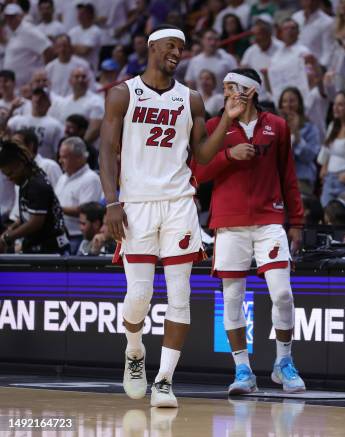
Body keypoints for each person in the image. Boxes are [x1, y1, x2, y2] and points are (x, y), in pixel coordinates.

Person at [98, 25, 249, 408]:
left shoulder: (191, 98)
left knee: (180, 297)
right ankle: (134, 349)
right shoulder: (122, 94)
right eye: (171, 46)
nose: (177, 53)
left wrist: (227, 120)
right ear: (151, 46)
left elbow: (201, 155)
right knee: (139, 295)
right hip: (136, 205)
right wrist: (111, 202)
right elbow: (106, 151)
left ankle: (164, 381)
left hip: (180, 202)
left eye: (181, 48)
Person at [192, 68, 306, 396]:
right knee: (231, 298)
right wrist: (229, 155)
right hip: (228, 221)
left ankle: (283, 364)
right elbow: (198, 173)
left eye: (233, 88)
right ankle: (243, 369)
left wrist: (296, 221)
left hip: (270, 219)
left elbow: (289, 176)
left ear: (250, 92)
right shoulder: (215, 126)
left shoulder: (277, 126)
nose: (227, 94)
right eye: (225, 88)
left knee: (282, 293)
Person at [0, 140, 69, 254]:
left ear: (20, 165)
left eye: (11, 173)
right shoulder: (25, 180)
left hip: (52, 248)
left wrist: (8, 238)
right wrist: (10, 229)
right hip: (37, 245)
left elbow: (35, 222)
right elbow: (27, 215)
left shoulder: (36, 185)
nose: (9, 179)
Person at [55, 137, 103, 253]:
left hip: (77, 236)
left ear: (79, 157)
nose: (60, 160)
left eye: (64, 157)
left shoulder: (91, 179)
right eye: (60, 156)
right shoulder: (62, 177)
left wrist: (56, 208)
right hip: (61, 235)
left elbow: (86, 211)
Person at [278, 87, 321, 195]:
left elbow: (310, 156)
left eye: (292, 101)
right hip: (278, 181)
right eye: (285, 101)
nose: (288, 104)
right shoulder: (274, 127)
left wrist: (296, 134)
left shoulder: (311, 128)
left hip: (301, 180)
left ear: (299, 103)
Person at [3, 4, 54, 88]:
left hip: (29, 86)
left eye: (13, 17)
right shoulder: (13, 32)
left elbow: (48, 49)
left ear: (20, 16)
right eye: (7, 17)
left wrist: (43, 74)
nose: (10, 20)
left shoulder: (28, 30)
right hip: (17, 87)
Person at [7, 87, 64, 160]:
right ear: (31, 99)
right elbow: (3, 133)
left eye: (42, 98)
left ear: (49, 103)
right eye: (36, 96)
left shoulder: (56, 126)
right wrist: (11, 110)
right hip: (19, 164)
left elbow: (58, 152)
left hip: (42, 165)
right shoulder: (17, 120)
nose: (38, 99)